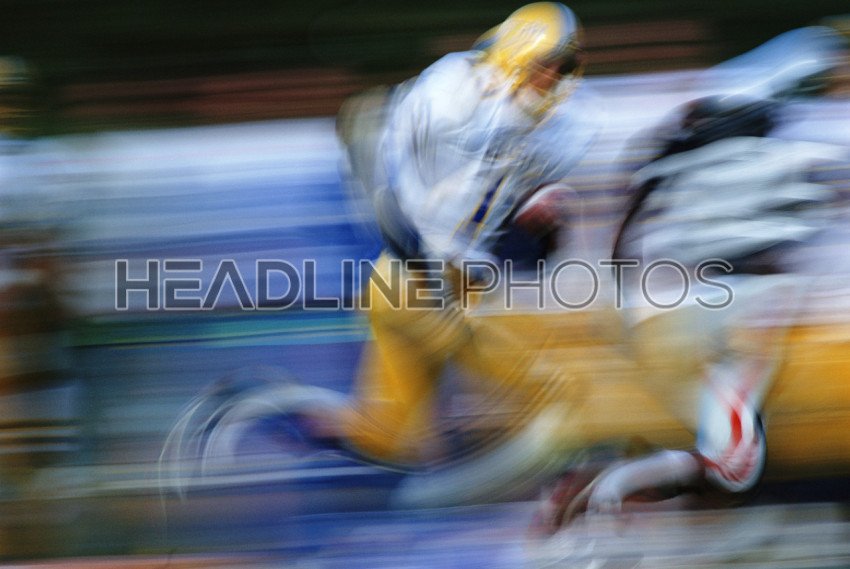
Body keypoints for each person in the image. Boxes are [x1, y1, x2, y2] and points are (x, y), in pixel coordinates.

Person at [536, 92, 848, 531]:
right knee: (734, 464)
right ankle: (609, 487)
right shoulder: (779, 160)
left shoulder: (670, 164)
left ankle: (624, 484)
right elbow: (805, 229)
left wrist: (621, 307)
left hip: (666, 320)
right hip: (741, 314)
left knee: (723, 445)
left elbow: (623, 238)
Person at [334, 2, 600, 468]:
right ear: (518, 54)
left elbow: (512, 228)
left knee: (387, 437)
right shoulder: (453, 88)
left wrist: (537, 224)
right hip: (413, 279)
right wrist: (408, 240)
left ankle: (278, 412)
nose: (554, 77)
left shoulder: (569, 122)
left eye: (562, 65)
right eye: (545, 64)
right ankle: (591, 437)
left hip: (456, 283)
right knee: (551, 389)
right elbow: (371, 141)